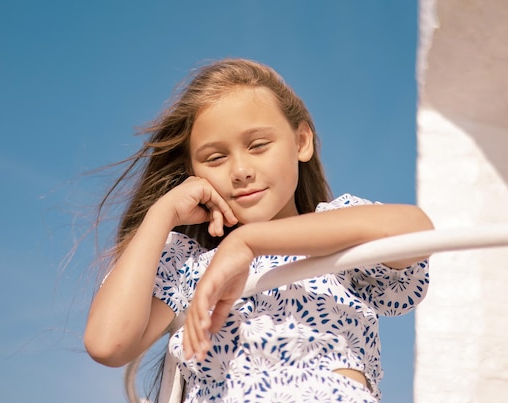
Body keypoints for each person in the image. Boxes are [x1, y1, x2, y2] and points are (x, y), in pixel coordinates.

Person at [84, 58, 433, 402]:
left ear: (301, 142)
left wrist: (249, 243)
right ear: (193, 172)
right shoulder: (188, 266)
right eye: (215, 158)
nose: (240, 170)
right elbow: (108, 345)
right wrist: (161, 214)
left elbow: (415, 230)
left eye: (257, 145)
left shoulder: (339, 231)